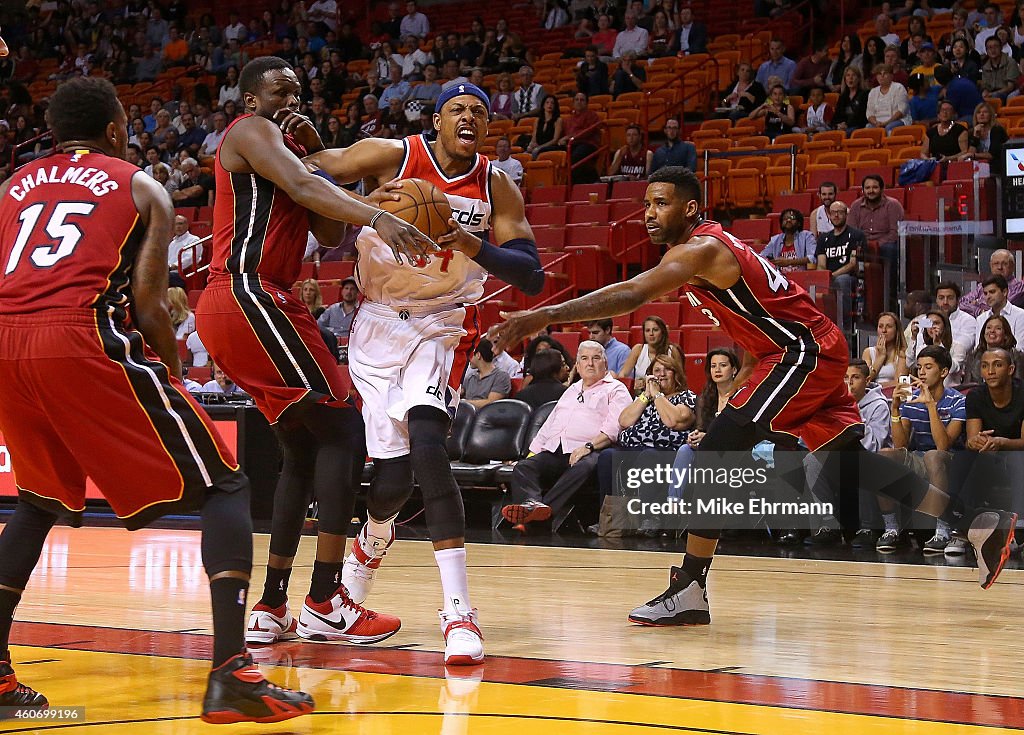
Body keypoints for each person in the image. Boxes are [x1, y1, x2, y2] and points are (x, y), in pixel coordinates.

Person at [489, 167, 1018, 624]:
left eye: (661, 203)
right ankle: (977, 524)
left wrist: (545, 315)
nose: (649, 212)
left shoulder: (701, 248)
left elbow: (631, 294)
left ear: (690, 207)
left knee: (715, 459)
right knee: (853, 464)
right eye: (646, 203)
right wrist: (749, 375)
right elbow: (753, 320)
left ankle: (690, 589)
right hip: (798, 351)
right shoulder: (707, 250)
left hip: (803, 353)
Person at [0, 76, 312, 722]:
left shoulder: (8, 190)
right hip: (76, 334)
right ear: (115, 128)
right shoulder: (140, 183)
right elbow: (147, 302)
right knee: (225, 483)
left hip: (5, 343)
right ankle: (233, 673)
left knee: (36, 499)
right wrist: (170, 376)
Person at [301, 81, 545, 665]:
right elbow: (318, 168)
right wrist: (330, 167)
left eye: (480, 112)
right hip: (380, 321)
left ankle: (459, 613)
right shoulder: (394, 155)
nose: (469, 118)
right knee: (393, 478)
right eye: (458, 109)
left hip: (442, 324)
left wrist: (469, 242)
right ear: (436, 120)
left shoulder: (495, 184)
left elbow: (531, 275)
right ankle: (367, 546)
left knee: (431, 446)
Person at [195, 57, 434, 651]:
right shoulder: (250, 132)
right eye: (279, 91)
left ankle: (273, 606)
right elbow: (307, 191)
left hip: (255, 305)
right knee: (345, 432)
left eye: (299, 90)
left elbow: (326, 229)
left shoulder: (289, 156)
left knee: (301, 449)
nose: (291, 100)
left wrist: (319, 151)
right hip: (249, 292)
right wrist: (377, 212)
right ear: (251, 101)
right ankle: (325, 602)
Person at [502, 341, 633, 531]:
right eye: (584, 359)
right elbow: (549, 426)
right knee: (524, 467)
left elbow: (614, 428)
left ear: (605, 363)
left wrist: (587, 447)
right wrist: (532, 455)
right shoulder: (572, 390)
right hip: (558, 450)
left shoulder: (616, 390)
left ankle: (539, 515)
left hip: (593, 451)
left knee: (583, 467)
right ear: (577, 366)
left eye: (596, 358)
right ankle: (534, 508)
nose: (590, 363)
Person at [882, 346, 965, 554]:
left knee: (933, 456)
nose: (921, 372)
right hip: (920, 456)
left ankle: (943, 530)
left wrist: (930, 406)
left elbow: (943, 446)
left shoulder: (958, 401)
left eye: (928, 367)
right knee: (884, 456)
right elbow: (901, 445)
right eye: (919, 368)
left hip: (950, 459)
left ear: (944, 372)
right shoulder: (911, 399)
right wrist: (895, 410)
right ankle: (892, 529)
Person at [844, 359, 894, 548]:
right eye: (846, 378)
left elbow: (873, 446)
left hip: (875, 459)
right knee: (811, 460)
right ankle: (824, 527)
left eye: (855, 377)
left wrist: (854, 413)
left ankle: (869, 527)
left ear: (867, 380)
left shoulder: (878, 405)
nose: (849, 383)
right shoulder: (835, 403)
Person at [848, 174, 904, 301]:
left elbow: (894, 232)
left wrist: (876, 245)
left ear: (882, 189)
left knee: (890, 250)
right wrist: (864, 244)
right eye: (867, 188)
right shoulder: (856, 206)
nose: (871, 191)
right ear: (863, 190)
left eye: (874, 187)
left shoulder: (893, 205)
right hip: (862, 244)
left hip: (885, 244)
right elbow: (852, 231)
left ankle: (890, 295)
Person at [816, 201, 865, 334]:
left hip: (850, 278)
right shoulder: (823, 239)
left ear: (846, 214)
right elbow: (821, 264)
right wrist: (823, 277)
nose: (836, 215)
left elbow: (852, 263)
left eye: (840, 212)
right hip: (829, 277)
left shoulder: (856, 235)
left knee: (841, 280)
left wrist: (832, 276)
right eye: (833, 213)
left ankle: (845, 328)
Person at [618, 315, 680, 393]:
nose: (651, 334)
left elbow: (680, 378)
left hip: (667, 395)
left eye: (655, 330)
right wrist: (632, 383)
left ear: (662, 332)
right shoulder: (638, 349)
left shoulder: (673, 351)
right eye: (647, 330)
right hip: (642, 395)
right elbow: (622, 374)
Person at [961, 249, 1024, 316]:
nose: (1000, 267)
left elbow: (999, 305)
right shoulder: (982, 286)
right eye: (996, 264)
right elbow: (962, 303)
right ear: (991, 266)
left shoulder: (1020, 287)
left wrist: (977, 302)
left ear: (1012, 266)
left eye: (1004, 264)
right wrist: (979, 311)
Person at [964, 314, 1024, 384]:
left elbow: (1019, 386)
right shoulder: (973, 355)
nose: (992, 331)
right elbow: (967, 385)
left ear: (1005, 335)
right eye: (989, 327)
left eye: (998, 328)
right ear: (983, 333)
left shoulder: (1016, 356)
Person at [760, 208, 817, 273]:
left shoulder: (807, 236)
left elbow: (812, 258)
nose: (788, 220)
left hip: (802, 277)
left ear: (799, 223)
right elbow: (762, 257)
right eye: (785, 218)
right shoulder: (775, 240)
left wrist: (789, 262)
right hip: (781, 280)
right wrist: (774, 262)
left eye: (792, 218)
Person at [862, 311, 908, 387]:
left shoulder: (902, 353)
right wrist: (880, 358)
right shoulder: (868, 352)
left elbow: (900, 384)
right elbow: (865, 380)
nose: (884, 331)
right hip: (871, 396)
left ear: (896, 330)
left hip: (892, 396)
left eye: (889, 326)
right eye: (880, 326)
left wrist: (875, 386)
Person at [975, 274, 1024, 345]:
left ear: (1004, 292)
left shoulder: (1020, 315)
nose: (988, 297)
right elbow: (978, 347)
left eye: (992, 292)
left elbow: (1020, 348)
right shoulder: (981, 318)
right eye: (985, 293)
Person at [461, 339, 512, 407]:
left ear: (478, 355)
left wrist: (463, 402)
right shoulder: (471, 376)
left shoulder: (501, 377)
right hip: (466, 415)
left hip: (487, 416)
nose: (468, 358)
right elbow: (457, 394)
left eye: (470, 355)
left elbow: (490, 403)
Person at [866, 64, 910, 132]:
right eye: (879, 74)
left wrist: (885, 123)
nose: (882, 76)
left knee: (889, 128)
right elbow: (869, 113)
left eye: (885, 73)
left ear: (891, 76)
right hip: (878, 123)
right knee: (868, 128)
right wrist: (876, 123)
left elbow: (901, 111)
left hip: (897, 120)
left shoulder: (899, 88)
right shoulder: (873, 92)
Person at [168, 213, 202, 279]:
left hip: (183, 274)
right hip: (170, 273)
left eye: (180, 224)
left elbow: (190, 258)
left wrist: (173, 266)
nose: (178, 227)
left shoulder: (194, 239)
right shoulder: (172, 243)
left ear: (187, 225)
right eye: (175, 224)